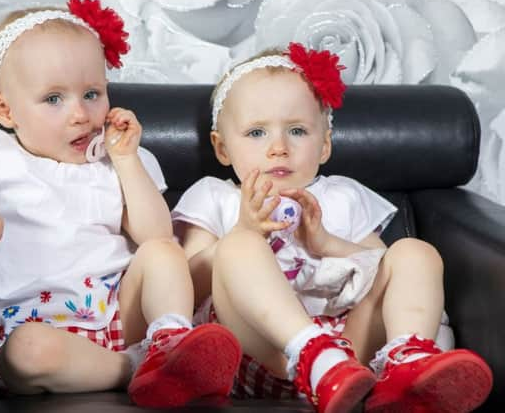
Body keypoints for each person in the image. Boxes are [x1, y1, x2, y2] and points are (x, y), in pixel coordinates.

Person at [0, 0, 241, 408]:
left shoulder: (117, 160)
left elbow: (156, 234)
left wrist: (125, 161)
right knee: (27, 353)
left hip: (119, 315)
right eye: (54, 99)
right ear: (5, 110)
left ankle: (169, 341)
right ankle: (139, 368)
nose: (80, 114)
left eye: (92, 93)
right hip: (39, 331)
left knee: (162, 253)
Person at [172, 42, 493, 412]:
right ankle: (310, 352)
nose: (279, 147)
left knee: (414, 253)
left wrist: (327, 243)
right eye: (257, 133)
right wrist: (245, 230)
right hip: (260, 355)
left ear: (324, 144)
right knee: (237, 248)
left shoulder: (342, 196)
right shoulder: (216, 197)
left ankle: (406, 363)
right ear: (222, 148)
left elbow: (381, 268)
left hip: (347, 362)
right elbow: (186, 285)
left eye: (296, 131)